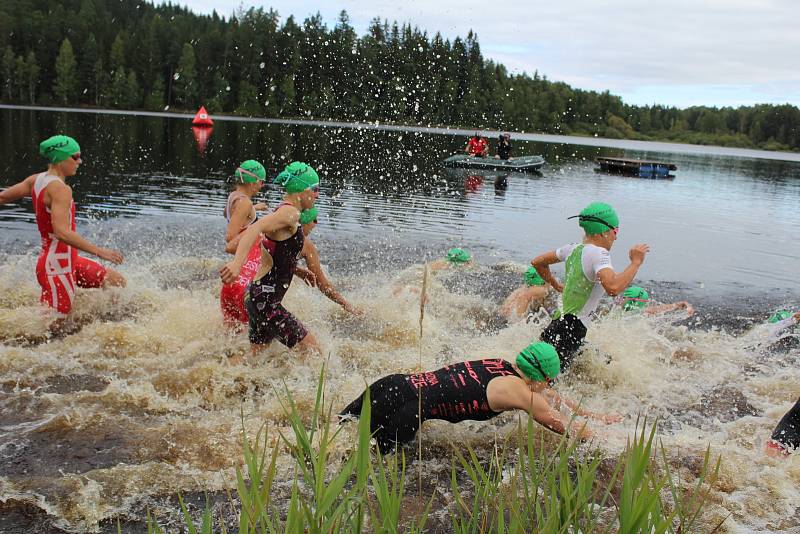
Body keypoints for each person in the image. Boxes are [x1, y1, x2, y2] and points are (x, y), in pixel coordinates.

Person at [339, 342, 622, 453]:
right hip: (409, 408)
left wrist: (598, 417)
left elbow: (553, 397)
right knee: (365, 460)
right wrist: (608, 440)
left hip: (394, 383)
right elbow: (561, 425)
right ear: (540, 377)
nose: (550, 386)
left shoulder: (500, 365)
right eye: (550, 380)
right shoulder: (522, 392)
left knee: (333, 432)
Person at [0, 135, 125, 330]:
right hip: (56, 266)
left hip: (70, 261)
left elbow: (2, 197)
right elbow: (62, 233)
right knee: (49, 326)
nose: (80, 162)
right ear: (60, 158)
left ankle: (107, 325)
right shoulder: (61, 190)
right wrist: (100, 251)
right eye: (75, 157)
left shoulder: (36, 180)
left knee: (115, 281)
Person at [220, 161, 321, 358]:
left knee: (255, 360)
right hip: (266, 303)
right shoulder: (289, 213)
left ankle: (216, 381)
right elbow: (255, 229)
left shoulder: (286, 211)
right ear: (302, 189)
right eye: (315, 189)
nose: (317, 195)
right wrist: (237, 263)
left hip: (257, 298)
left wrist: (296, 270)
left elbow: (270, 250)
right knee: (315, 353)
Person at [531, 202, 649, 368]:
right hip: (572, 328)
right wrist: (636, 263)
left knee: (543, 370)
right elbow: (613, 288)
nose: (616, 237)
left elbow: (537, 262)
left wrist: (556, 284)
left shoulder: (571, 249)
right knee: (550, 383)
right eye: (616, 231)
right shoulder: (599, 254)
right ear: (604, 232)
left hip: (557, 322)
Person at [220, 160, 269, 326]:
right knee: (252, 337)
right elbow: (231, 238)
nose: (261, 186)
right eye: (262, 182)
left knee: (231, 336)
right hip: (244, 278)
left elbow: (238, 216)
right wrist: (259, 227)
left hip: (232, 283)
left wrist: (255, 209)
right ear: (253, 181)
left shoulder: (234, 197)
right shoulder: (245, 203)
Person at [295, 207, 363, 316]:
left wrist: (295, 270)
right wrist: (346, 305)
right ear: (304, 221)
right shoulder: (304, 245)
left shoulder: (282, 234)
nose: (316, 224)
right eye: (314, 220)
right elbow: (322, 283)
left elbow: (272, 260)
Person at [618, 285, 694, 317]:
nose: (621, 299)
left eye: (624, 297)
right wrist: (683, 304)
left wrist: (683, 304)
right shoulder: (642, 311)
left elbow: (659, 308)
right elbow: (662, 308)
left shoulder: (641, 312)